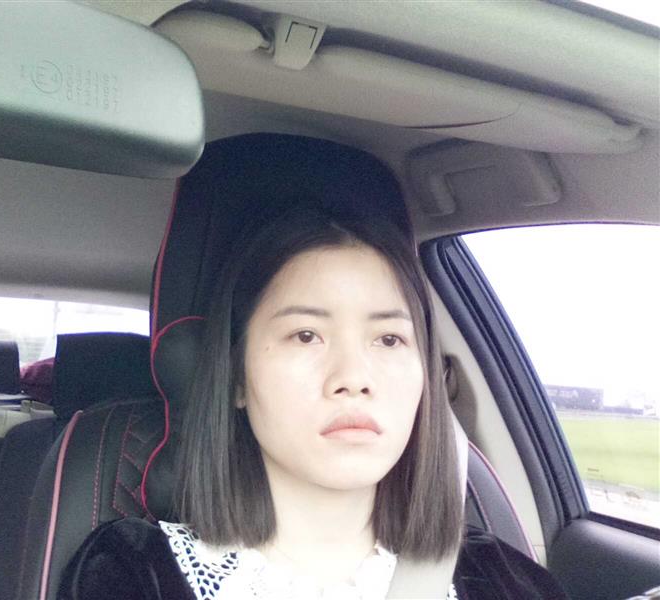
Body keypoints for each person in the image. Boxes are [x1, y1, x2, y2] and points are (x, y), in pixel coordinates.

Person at [60, 209, 568, 599]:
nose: (353, 378)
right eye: (306, 335)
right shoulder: (133, 572)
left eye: (389, 339)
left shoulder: (504, 579)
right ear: (237, 379)